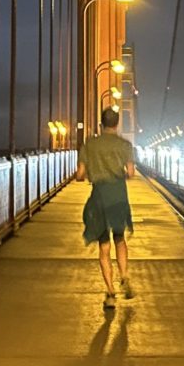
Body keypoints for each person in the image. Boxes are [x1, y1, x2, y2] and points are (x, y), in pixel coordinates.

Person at [76, 106, 136, 312]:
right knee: (120, 239)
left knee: (104, 246)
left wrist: (86, 174)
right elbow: (131, 172)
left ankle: (110, 293)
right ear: (117, 123)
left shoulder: (90, 145)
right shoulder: (124, 145)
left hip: (99, 196)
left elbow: (81, 174)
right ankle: (124, 275)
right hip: (118, 195)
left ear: (101, 124)